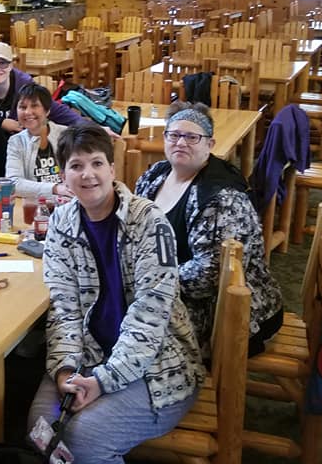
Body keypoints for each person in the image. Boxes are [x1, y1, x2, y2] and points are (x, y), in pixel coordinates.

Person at [28, 123, 203, 464]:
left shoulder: (149, 221)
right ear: (63, 177)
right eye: (76, 166)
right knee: (41, 428)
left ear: (112, 169)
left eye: (96, 163)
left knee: (83, 440)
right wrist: (65, 371)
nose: (87, 174)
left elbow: (149, 317)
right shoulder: (61, 222)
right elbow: (64, 308)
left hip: (158, 365)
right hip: (91, 353)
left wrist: (103, 381)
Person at [134, 101, 284, 358]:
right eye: (174, 135)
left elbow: (208, 276)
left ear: (210, 144)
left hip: (226, 310)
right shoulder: (156, 175)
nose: (181, 143)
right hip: (167, 288)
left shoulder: (219, 197)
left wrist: (148, 278)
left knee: (132, 328)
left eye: (192, 137)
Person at [0, 41, 84, 135]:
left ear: (11, 66)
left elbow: (54, 109)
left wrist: (87, 129)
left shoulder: (24, 85)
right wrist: (0, 121)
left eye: (3, 63)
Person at [5, 82, 73, 201]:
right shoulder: (16, 142)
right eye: (22, 107)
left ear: (47, 111)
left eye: (34, 106)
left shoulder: (66, 135)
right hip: (35, 204)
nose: (27, 112)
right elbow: (13, 183)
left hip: (68, 201)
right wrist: (55, 188)